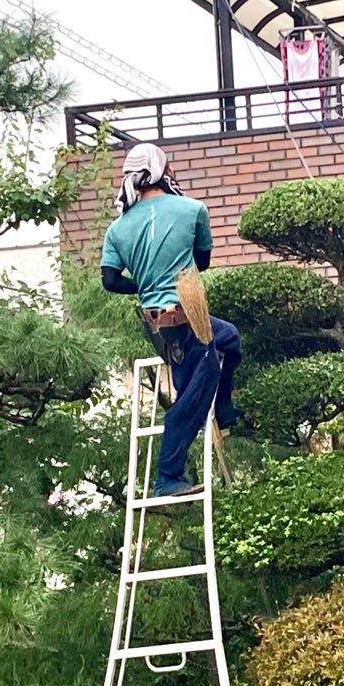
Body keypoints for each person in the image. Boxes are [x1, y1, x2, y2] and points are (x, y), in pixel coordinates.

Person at [100, 142, 241, 497]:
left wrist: (145, 282)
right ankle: (167, 477)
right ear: (164, 172)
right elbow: (202, 262)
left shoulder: (118, 229)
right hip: (188, 318)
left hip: (157, 326)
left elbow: (110, 281)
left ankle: (225, 407)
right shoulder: (192, 209)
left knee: (229, 337)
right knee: (193, 395)